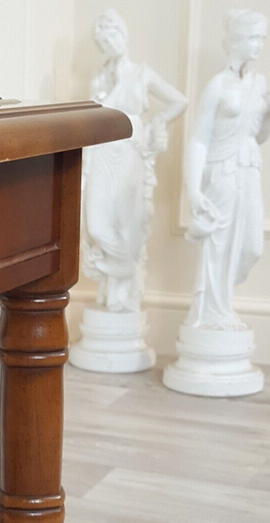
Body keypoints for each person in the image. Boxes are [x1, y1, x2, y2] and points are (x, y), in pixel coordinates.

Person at [183, 9, 270, 330]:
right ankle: (212, 314)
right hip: (221, 172)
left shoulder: (260, 83)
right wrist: (194, 189)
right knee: (218, 247)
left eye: (262, 38)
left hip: (248, 170)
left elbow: (258, 136)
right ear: (237, 40)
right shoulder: (217, 85)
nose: (259, 45)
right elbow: (198, 140)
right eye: (254, 38)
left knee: (251, 246)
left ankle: (222, 305)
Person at [82, 9, 187, 312]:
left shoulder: (142, 73)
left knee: (127, 225)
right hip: (101, 152)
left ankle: (119, 284)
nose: (110, 44)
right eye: (103, 41)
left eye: (113, 35)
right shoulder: (99, 78)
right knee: (97, 226)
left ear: (124, 35)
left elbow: (179, 100)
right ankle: (123, 269)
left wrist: (158, 122)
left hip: (129, 154)